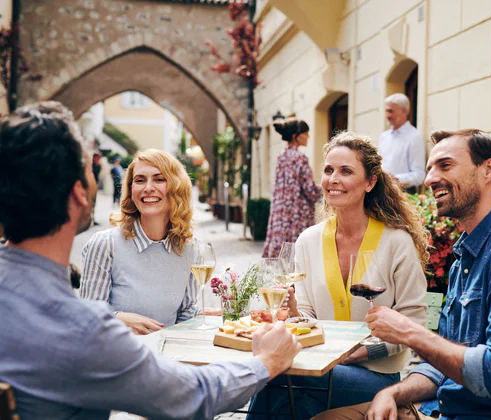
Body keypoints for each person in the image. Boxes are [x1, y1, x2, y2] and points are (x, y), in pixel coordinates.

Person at [0, 101, 302, 419]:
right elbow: (194, 396)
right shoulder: (83, 329)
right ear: (79, 193)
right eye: (91, 168)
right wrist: (266, 362)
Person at [315, 129, 491, 420]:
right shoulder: (468, 255)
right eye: (429, 169)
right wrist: (392, 393)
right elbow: (443, 361)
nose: (430, 179)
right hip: (446, 409)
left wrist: (410, 333)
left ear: (488, 169)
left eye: (445, 165)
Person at [248, 131, 430, 419]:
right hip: (315, 367)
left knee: (273, 377)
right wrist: (294, 311)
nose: (333, 179)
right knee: (297, 400)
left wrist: (361, 351)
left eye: (346, 171)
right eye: (328, 170)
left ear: (370, 182)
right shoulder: (308, 239)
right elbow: (306, 316)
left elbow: (414, 322)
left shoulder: (396, 242)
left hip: (375, 378)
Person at [81, 149, 214, 335]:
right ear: (131, 189)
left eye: (159, 179)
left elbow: (183, 314)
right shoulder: (105, 244)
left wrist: (206, 317)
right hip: (116, 359)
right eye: (140, 180)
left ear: (177, 187)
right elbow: (87, 316)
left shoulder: (190, 249)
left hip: (167, 357)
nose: (148, 187)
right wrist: (119, 319)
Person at [262, 117, 321, 258]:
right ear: (296, 136)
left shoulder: (281, 156)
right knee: (298, 257)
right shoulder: (299, 158)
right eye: (306, 133)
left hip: (281, 214)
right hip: (297, 215)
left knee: (281, 258)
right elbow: (310, 190)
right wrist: (325, 190)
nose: (308, 136)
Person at [378, 93, 425, 192]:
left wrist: (396, 179)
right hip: (381, 192)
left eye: (391, 111)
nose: (387, 116)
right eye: (386, 111)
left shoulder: (414, 137)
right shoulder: (383, 137)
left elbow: (420, 175)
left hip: (403, 194)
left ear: (404, 111)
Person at [91, 152, 102, 225]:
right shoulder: (90, 165)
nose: (97, 159)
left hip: (95, 185)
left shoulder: (98, 166)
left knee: (94, 202)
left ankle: (92, 218)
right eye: (97, 158)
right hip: (90, 185)